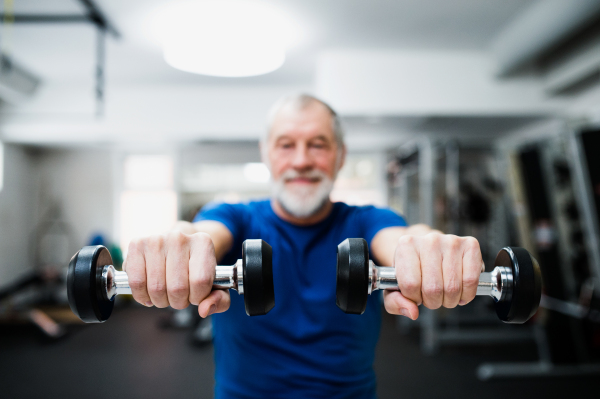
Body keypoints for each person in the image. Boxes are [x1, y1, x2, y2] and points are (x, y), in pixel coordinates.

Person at [123, 94, 483, 398]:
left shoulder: (367, 220)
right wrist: (180, 242)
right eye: (286, 145)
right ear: (266, 154)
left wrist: (426, 247)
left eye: (318, 145)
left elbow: (402, 240)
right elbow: (201, 234)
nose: (301, 161)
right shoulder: (234, 216)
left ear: (340, 156)